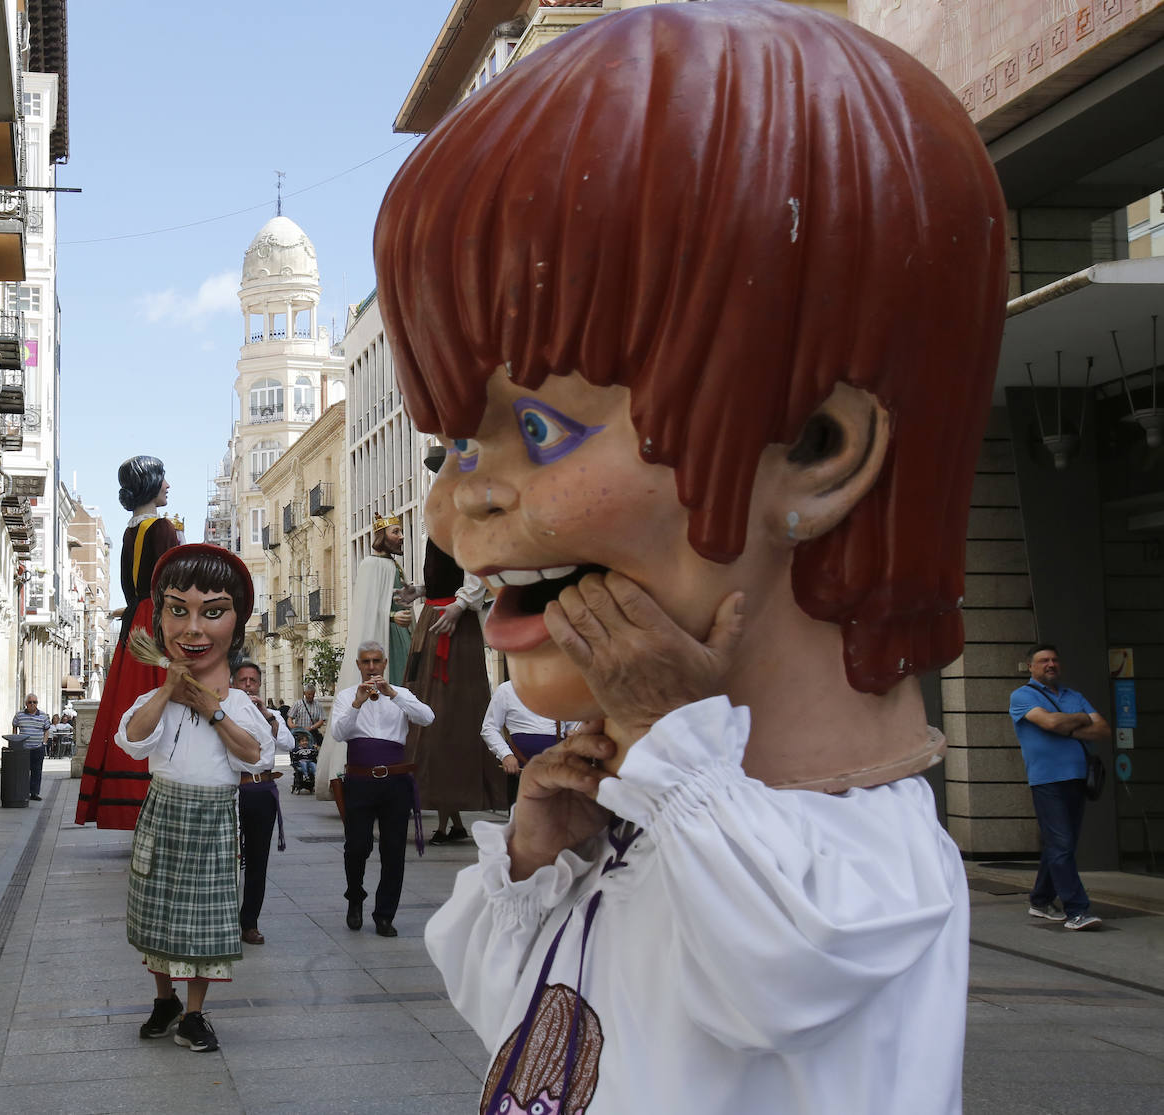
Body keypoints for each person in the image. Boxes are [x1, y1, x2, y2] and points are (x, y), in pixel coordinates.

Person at [374, 2, 1007, 1110]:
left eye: (542, 429)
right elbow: (528, 1025)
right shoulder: (666, 812)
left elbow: (784, 971)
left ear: (818, 451)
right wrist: (537, 855)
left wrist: (676, 747)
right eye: (454, 446)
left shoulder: (863, 855)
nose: (453, 508)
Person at [116, 543, 272, 1054]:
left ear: (236, 623)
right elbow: (132, 740)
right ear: (161, 620)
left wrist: (212, 708)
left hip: (212, 824)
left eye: (214, 612)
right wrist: (167, 690)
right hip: (162, 817)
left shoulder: (242, 706)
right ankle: (164, 1001)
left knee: (205, 924)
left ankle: (195, 1013)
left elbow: (256, 757)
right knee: (157, 915)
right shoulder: (151, 700)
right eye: (178, 611)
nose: (193, 629)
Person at [76, 456, 183, 829]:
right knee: (165, 700)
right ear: (151, 484)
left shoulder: (129, 532)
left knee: (127, 703)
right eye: (163, 479)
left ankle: (124, 800)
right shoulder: (162, 528)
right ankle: (162, 800)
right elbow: (173, 583)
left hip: (134, 623)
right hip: (157, 619)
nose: (168, 485)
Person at [328, 641, 435, 936]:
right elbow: (338, 733)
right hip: (360, 781)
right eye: (366, 662)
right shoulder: (347, 696)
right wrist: (357, 704)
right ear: (359, 665)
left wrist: (395, 695)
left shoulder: (400, 694)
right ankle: (355, 898)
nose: (372, 667)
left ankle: (385, 915)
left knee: (394, 850)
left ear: (385, 663)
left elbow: (427, 717)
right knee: (357, 846)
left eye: (376, 661)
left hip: (395, 783)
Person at [404, 532, 499, 845]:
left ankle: (450, 819)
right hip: (435, 616)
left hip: (450, 621)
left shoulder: (462, 523)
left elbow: (477, 571)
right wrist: (421, 590)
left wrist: (460, 605)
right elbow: (452, 576)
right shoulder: (441, 525)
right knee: (431, 714)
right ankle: (451, 821)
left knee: (446, 717)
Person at [1009, 644, 1110, 931]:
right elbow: (1051, 722)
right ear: (1030, 666)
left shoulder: (1073, 695)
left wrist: (1067, 726)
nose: (1050, 664)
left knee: (1062, 845)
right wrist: (1079, 719)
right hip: (1047, 780)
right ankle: (1078, 910)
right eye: (1043, 661)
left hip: (1078, 778)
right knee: (1062, 844)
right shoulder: (1022, 696)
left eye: (1054, 660)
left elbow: (1102, 729)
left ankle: (1040, 900)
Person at [319, 513, 419, 798]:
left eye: (401, 532)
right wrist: (390, 616)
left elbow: (398, 597)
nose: (401, 537)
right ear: (382, 536)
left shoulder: (393, 565)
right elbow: (367, 608)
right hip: (388, 638)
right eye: (396, 531)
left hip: (401, 638)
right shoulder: (370, 565)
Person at [230, 656, 292, 946]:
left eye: (253, 681)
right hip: (234, 789)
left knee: (258, 860)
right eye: (242, 680)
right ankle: (225, 919)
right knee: (228, 860)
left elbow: (288, 744)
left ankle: (249, 922)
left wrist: (266, 714)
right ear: (233, 683)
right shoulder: (225, 709)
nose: (248, 685)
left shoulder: (271, 715)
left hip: (262, 791)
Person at [11, 694, 50, 801]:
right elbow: (14, 726)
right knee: (23, 771)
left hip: (38, 747)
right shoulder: (19, 715)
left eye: (34, 702)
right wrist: (15, 740)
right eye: (30, 702)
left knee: (37, 771)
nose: (32, 704)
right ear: (26, 704)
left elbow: (47, 730)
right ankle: (23, 792)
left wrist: (44, 743)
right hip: (23, 748)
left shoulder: (43, 715)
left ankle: (34, 793)